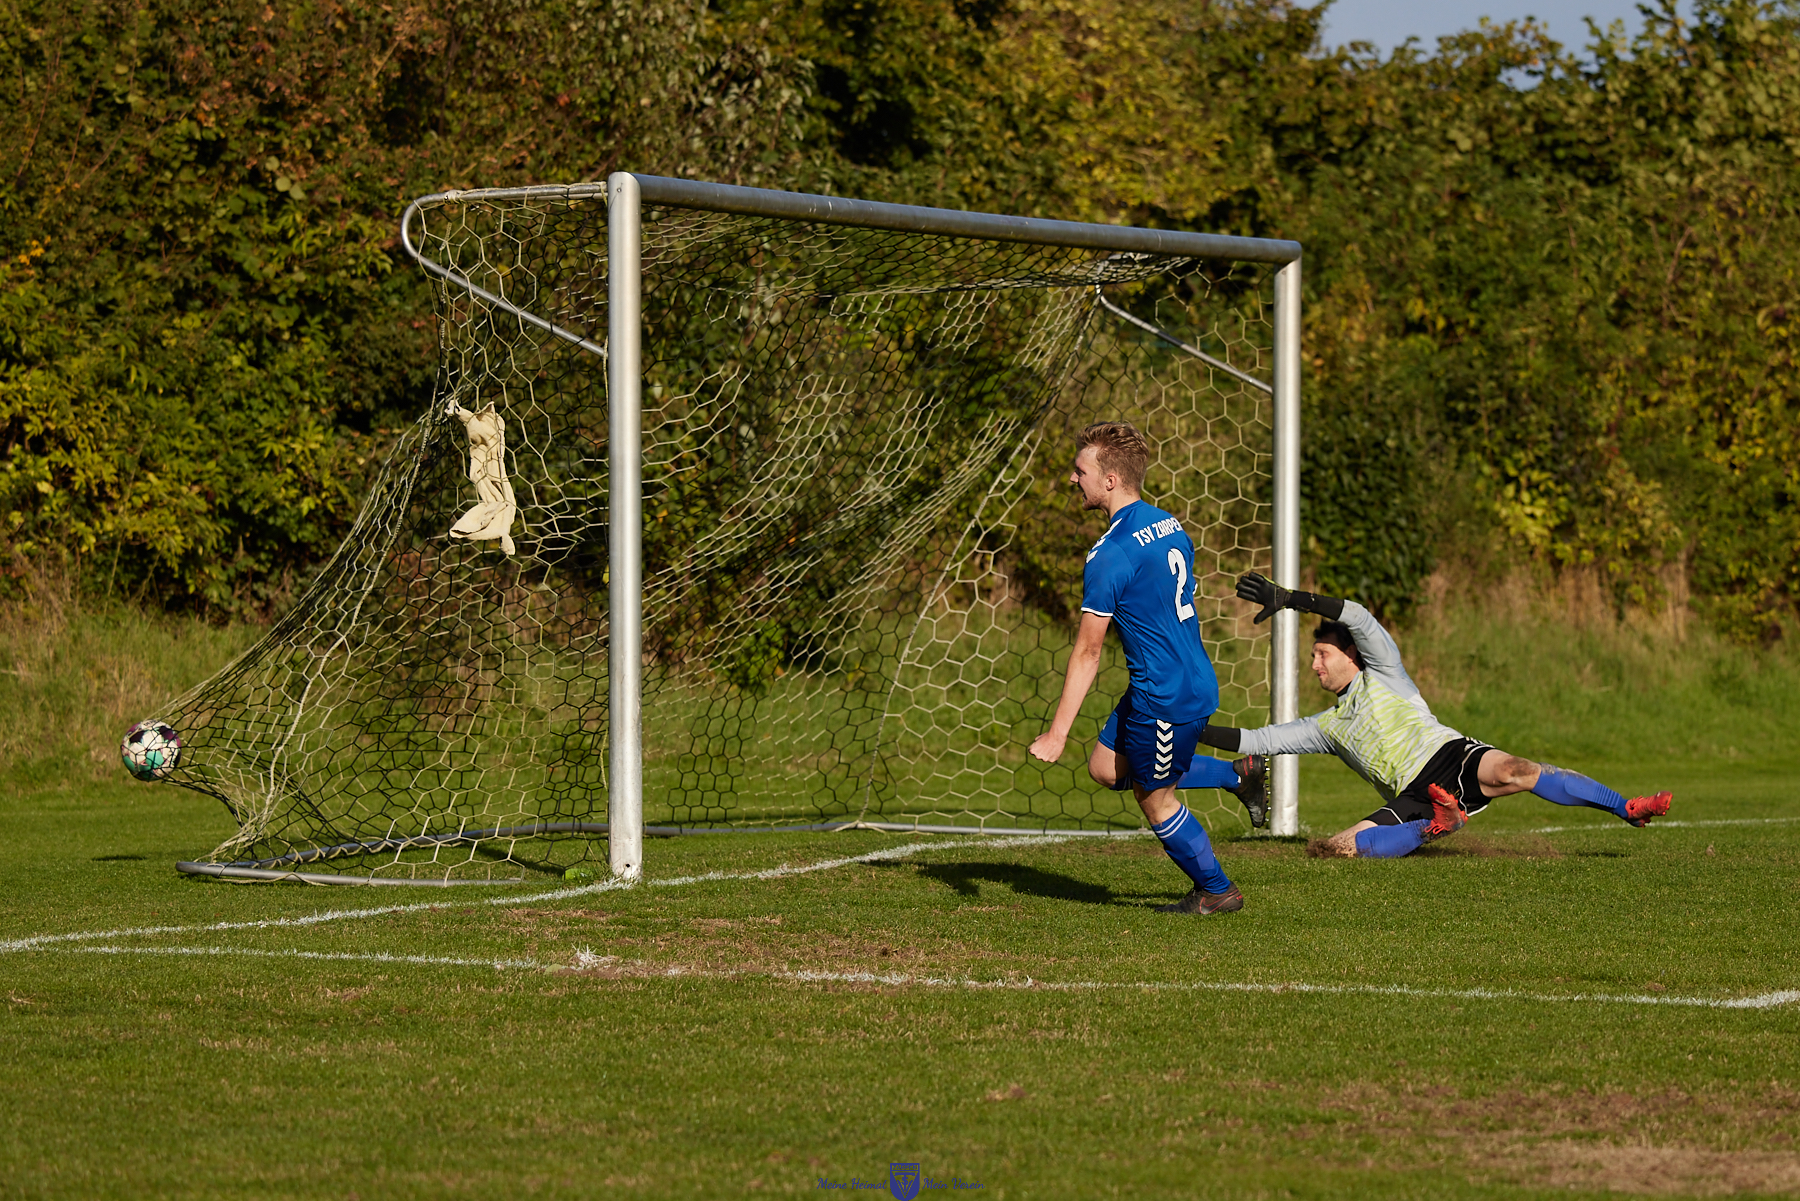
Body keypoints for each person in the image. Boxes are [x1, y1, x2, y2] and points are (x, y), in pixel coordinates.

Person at [1194, 572, 1674, 858]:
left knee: (1519, 770)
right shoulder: (1325, 727)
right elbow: (1256, 741)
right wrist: (1185, 726)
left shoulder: (1385, 672)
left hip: (1449, 756)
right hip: (1415, 796)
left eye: (1322, 654)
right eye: (1313, 657)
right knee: (1335, 849)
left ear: (1351, 655)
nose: (1315, 665)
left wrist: (1290, 599)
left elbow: (1356, 615)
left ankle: (1626, 807)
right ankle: (1437, 825)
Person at [1028, 421, 1247, 914]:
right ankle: (1238, 775)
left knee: (1155, 799)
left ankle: (1217, 890)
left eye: (1080, 470)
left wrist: (1058, 734)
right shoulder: (1169, 523)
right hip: (1184, 676)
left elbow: (1088, 652)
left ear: (1109, 480)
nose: (1072, 478)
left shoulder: (1110, 554)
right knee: (1105, 768)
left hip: (1164, 696)